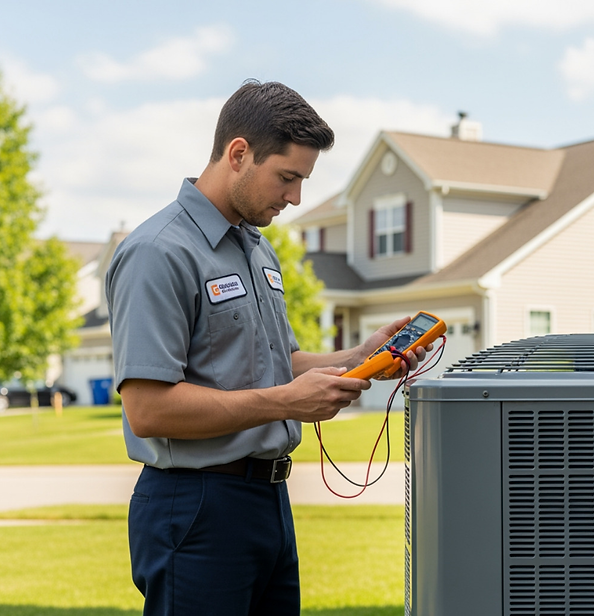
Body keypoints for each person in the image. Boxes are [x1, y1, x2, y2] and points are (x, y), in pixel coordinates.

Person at [105, 80, 428, 615]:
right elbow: (148, 408)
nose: (296, 197)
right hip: (196, 505)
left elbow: (277, 364)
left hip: (269, 501)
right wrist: (285, 403)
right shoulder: (158, 253)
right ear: (238, 154)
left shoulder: (257, 250)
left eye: (302, 179)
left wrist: (360, 356)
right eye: (287, 177)